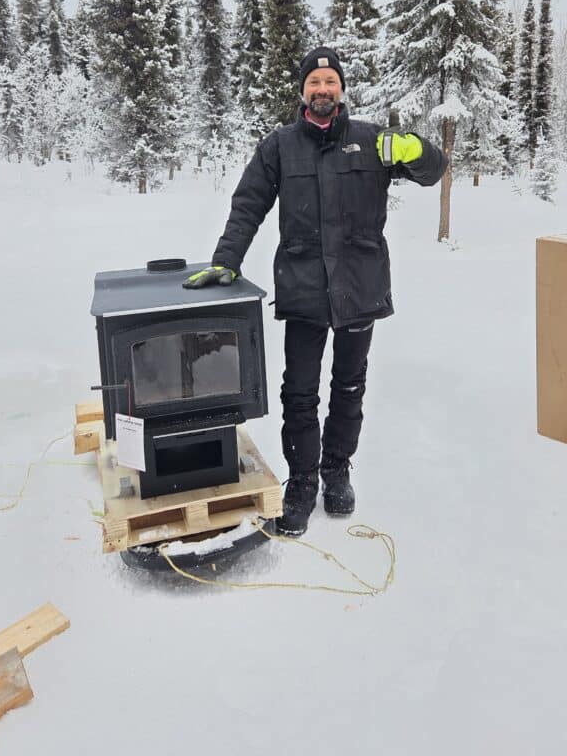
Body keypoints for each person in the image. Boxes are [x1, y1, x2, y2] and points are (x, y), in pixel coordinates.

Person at [183, 46, 447, 535]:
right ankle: (302, 480)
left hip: (359, 287)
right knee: (299, 393)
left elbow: (434, 170)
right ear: (302, 92)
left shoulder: (373, 140)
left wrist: (417, 148)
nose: (322, 89)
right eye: (314, 82)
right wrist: (226, 259)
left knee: (349, 387)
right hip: (304, 289)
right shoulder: (280, 146)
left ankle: (337, 471)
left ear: (341, 89)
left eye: (330, 81)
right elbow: (248, 205)